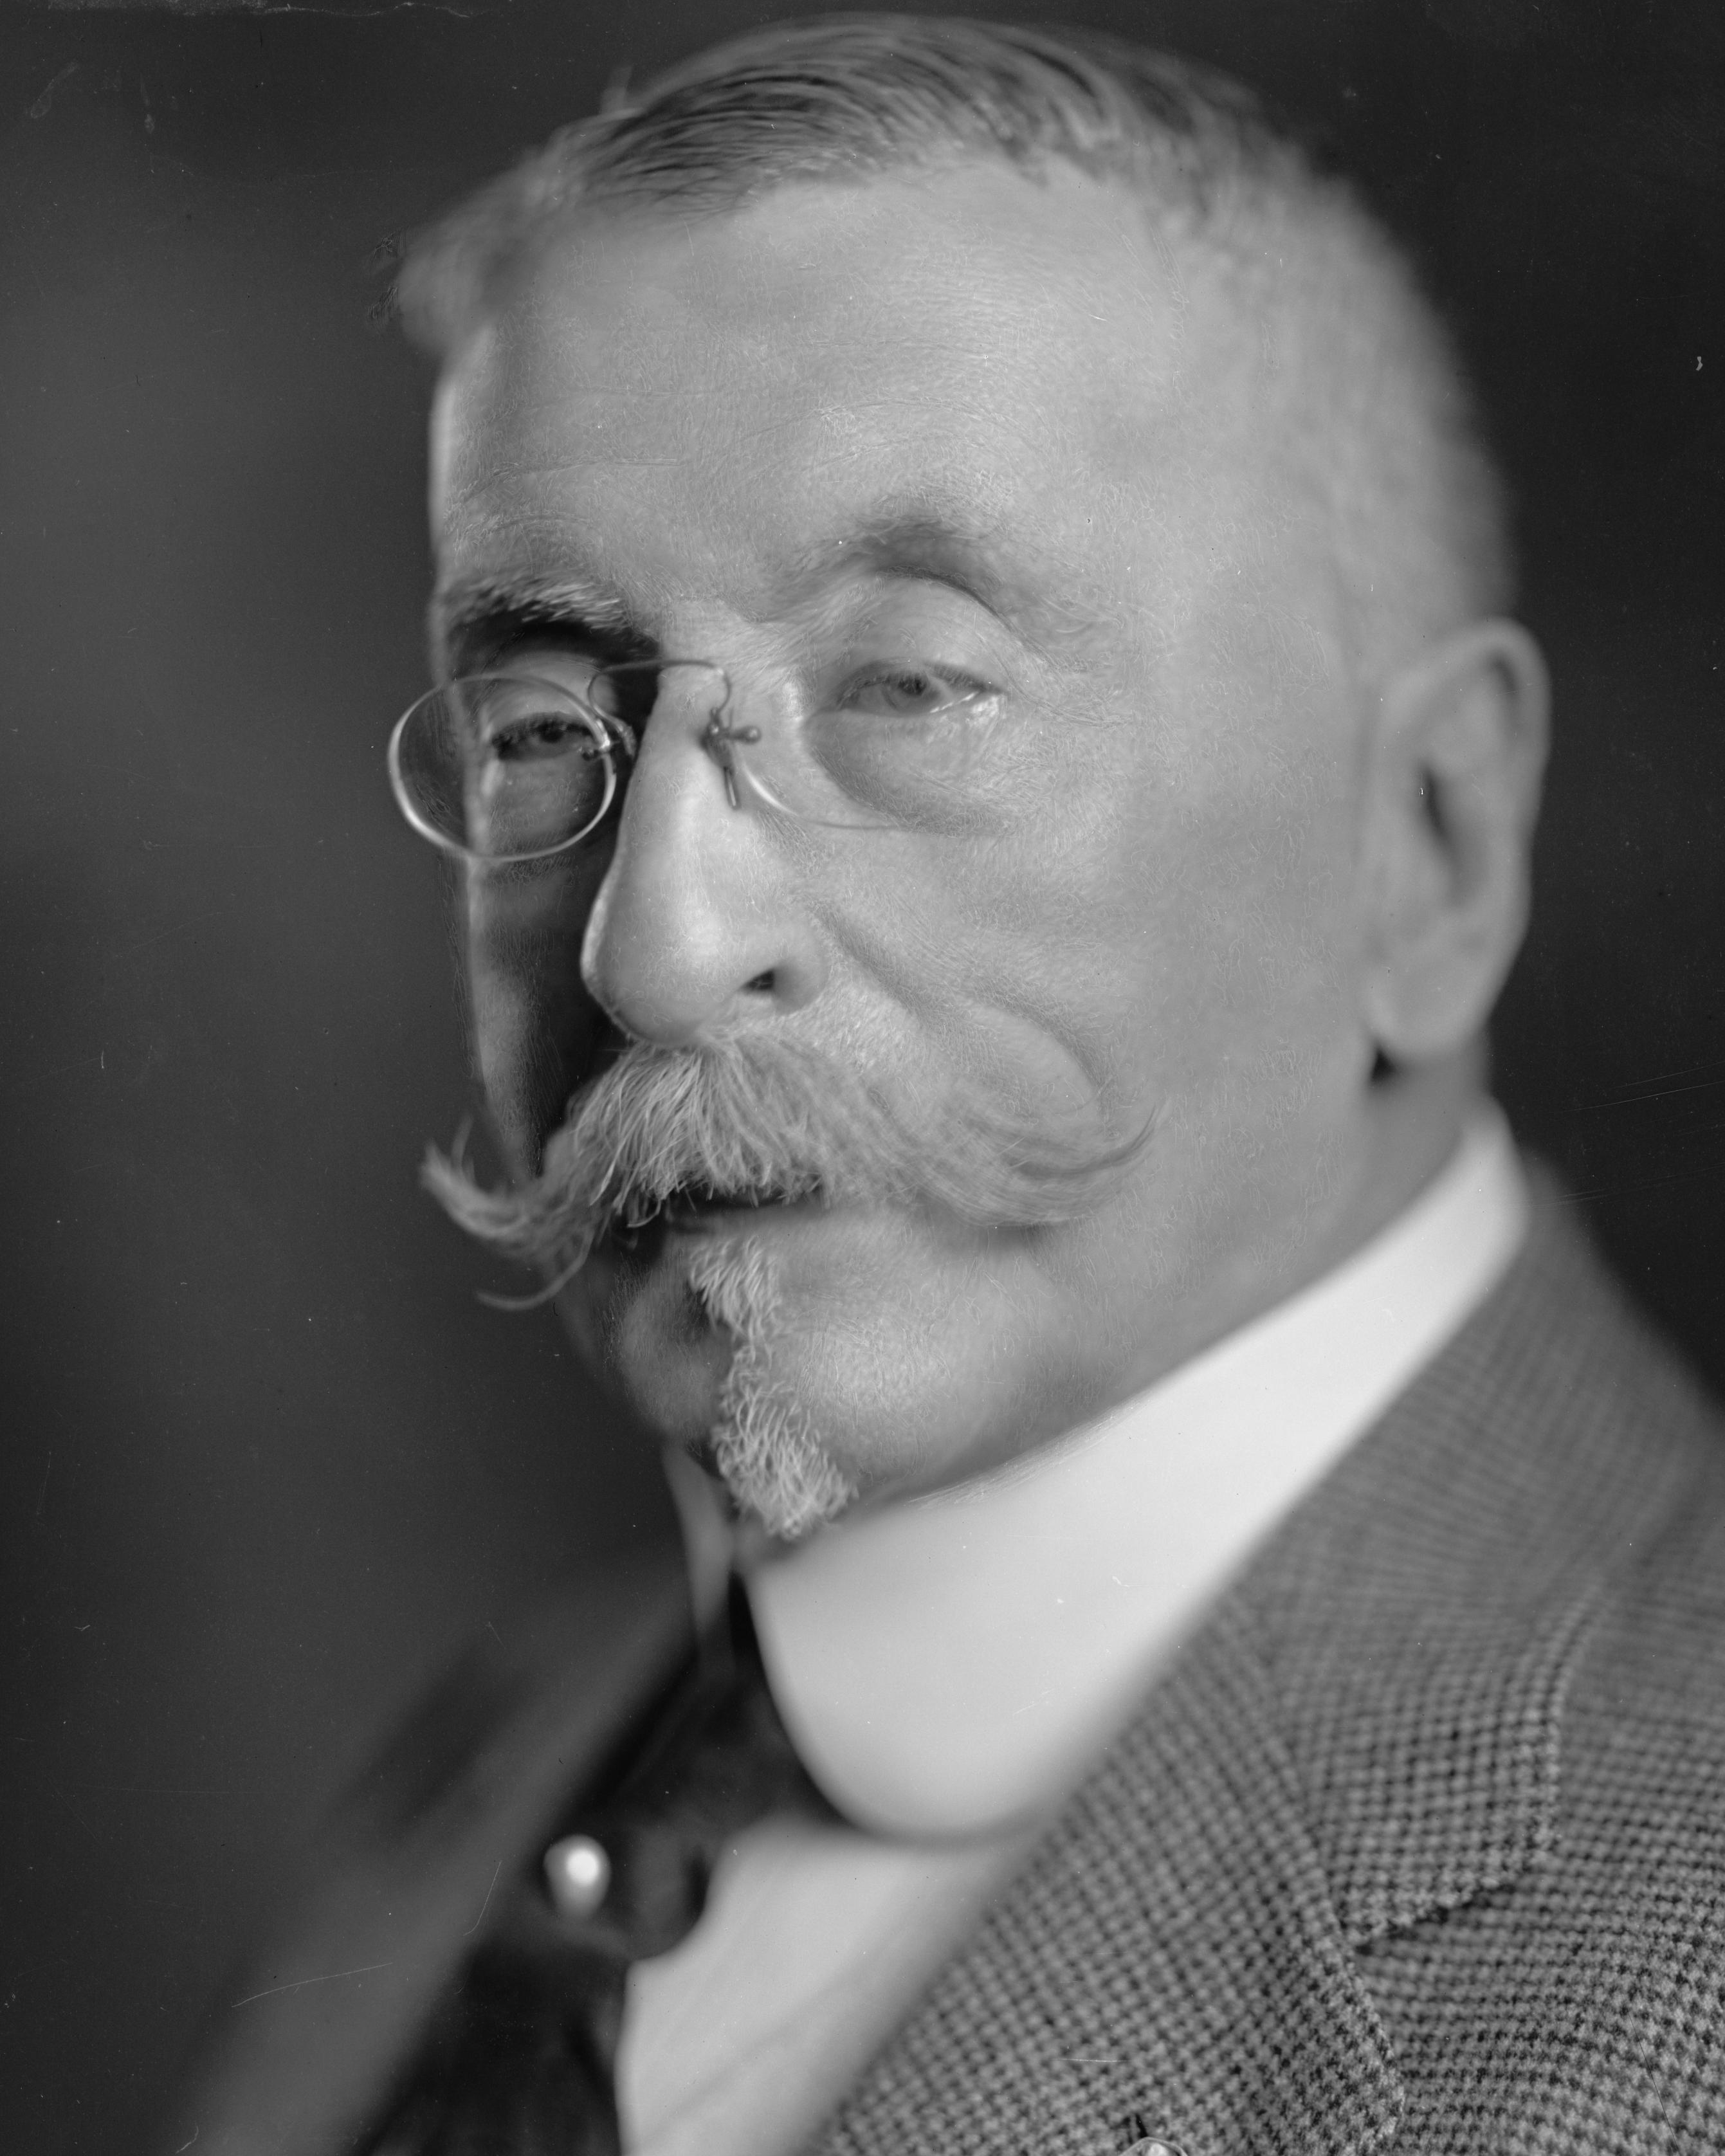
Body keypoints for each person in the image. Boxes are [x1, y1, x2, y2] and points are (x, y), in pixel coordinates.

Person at [160, 17, 1725, 2154]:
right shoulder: (490, 1761)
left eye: (909, 686)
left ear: (1424, 842)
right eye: (539, 722)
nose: (657, 947)